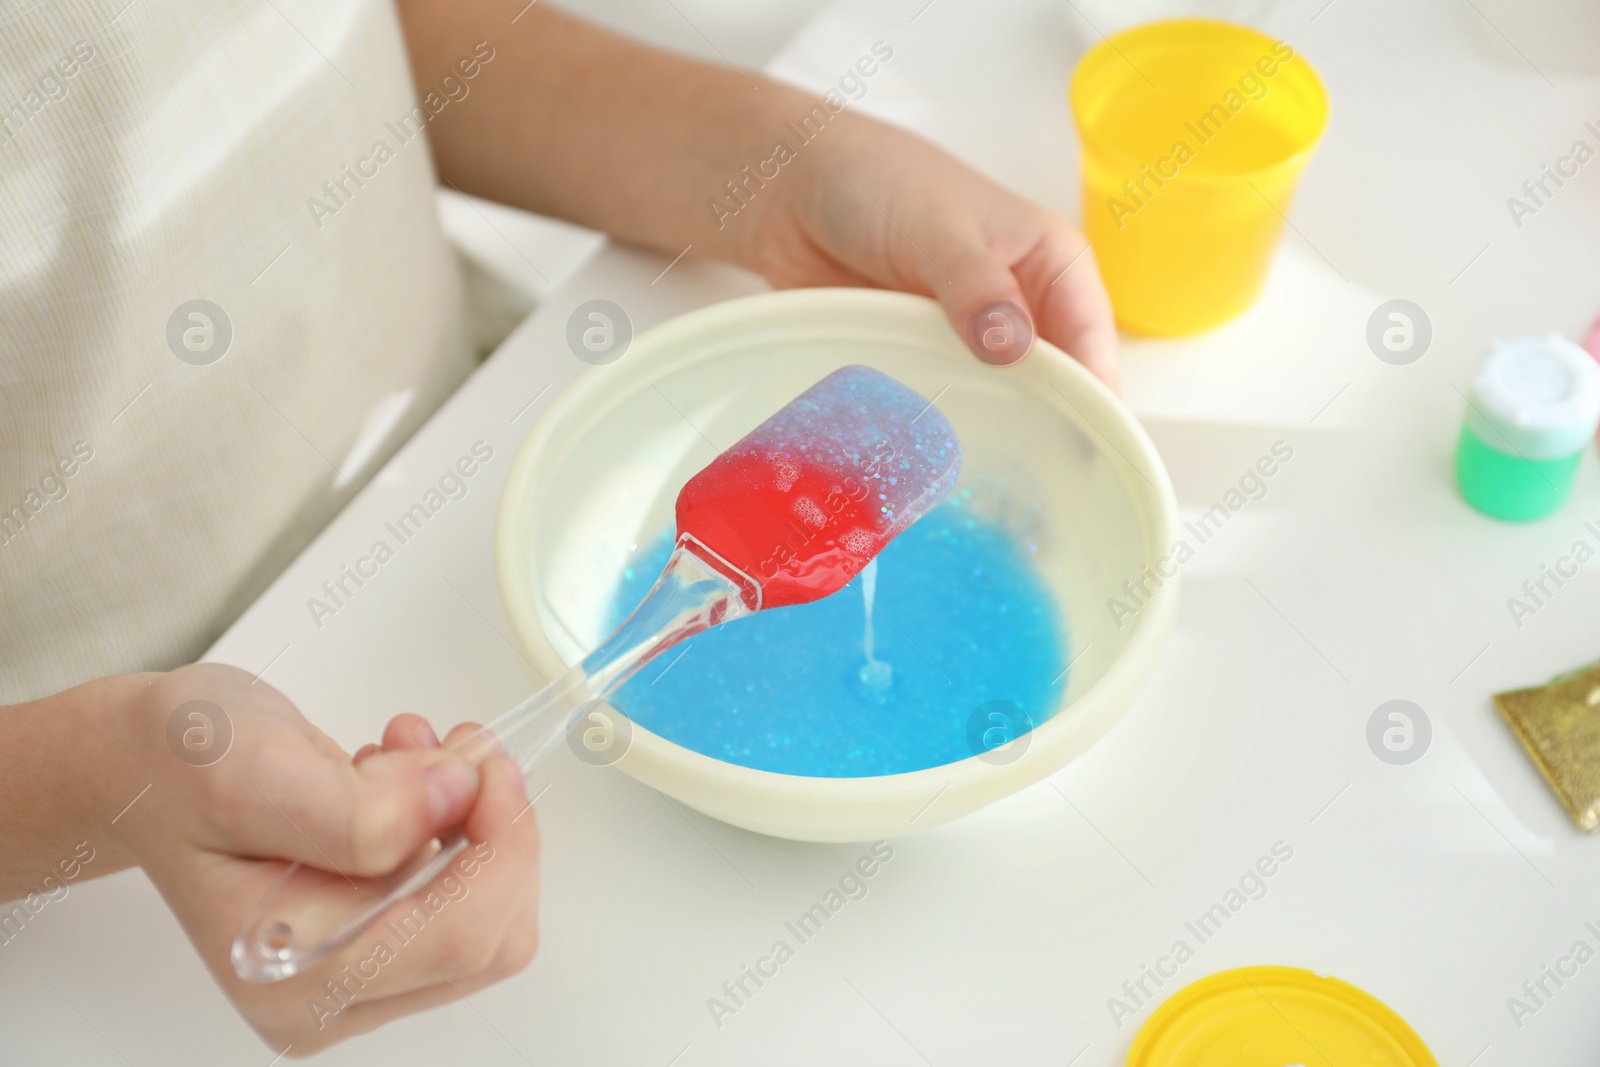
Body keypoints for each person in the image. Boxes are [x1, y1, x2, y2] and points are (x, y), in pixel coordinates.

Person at [0, 0, 1115, 1054]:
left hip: (473, 418)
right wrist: (103, 774)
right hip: (101, 866)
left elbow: (354, 41)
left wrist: (785, 168)